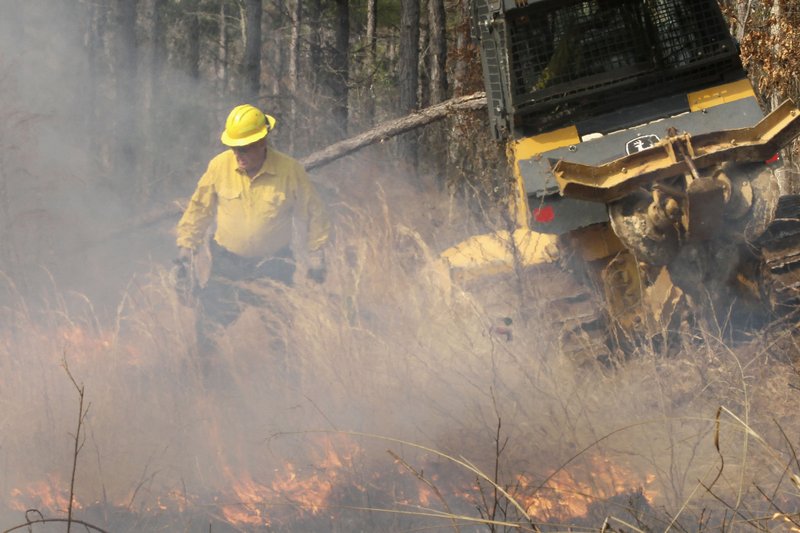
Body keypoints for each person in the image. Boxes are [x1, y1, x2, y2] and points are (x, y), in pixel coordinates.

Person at [172, 104, 331, 357]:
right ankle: (204, 386)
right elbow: (198, 210)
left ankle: (286, 389)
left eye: (244, 148)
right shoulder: (219, 167)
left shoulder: (290, 171)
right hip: (227, 265)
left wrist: (317, 256)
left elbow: (314, 213)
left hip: (274, 265)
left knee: (283, 338)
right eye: (234, 147)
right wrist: (184, 253)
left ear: (262, 142)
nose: (238, 154)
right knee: (206, 332)